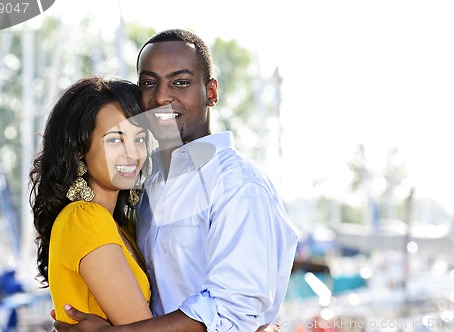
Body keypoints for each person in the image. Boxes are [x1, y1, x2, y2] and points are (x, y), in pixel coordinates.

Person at [54, 29, 298, 332]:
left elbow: (232, 311)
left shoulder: (237, 185)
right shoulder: (148, 183)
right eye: (148, 83)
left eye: (180, 82)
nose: (161, 97)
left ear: (211, 93)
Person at [30, 76, 153, 325]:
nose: (132, 153)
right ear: (79, 148)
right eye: (115, 140)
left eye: (139, 139)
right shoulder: (85, 219)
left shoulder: (119, 225)